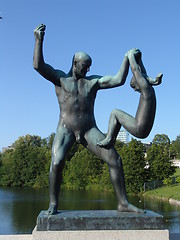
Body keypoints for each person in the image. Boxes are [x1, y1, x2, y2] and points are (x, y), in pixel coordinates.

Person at [33, 24, 143, 215]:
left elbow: (118, 79)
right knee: (57, 162)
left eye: (89, 67)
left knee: (114, 159)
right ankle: (53, 204)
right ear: (74, 64)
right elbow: (38, 66)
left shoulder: (92, 82)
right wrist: (38, 41)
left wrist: (126, 58)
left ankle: (123, 203)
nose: (88, 69)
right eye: (85, 66)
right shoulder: (60, 79)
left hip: (88, 130)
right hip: (66, 128)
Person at [97, 48, 162, 148]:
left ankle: (109, 138)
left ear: (140, 83)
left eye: (134, 87)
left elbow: (136, 71)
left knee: (115, 113)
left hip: (139, 128)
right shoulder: (149, 90)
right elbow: (142, 74)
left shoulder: (145, 90)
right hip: (144, 130)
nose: (135, 90)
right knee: (118, 116)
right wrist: (139, 59)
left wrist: (130, 56)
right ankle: (111, 139)